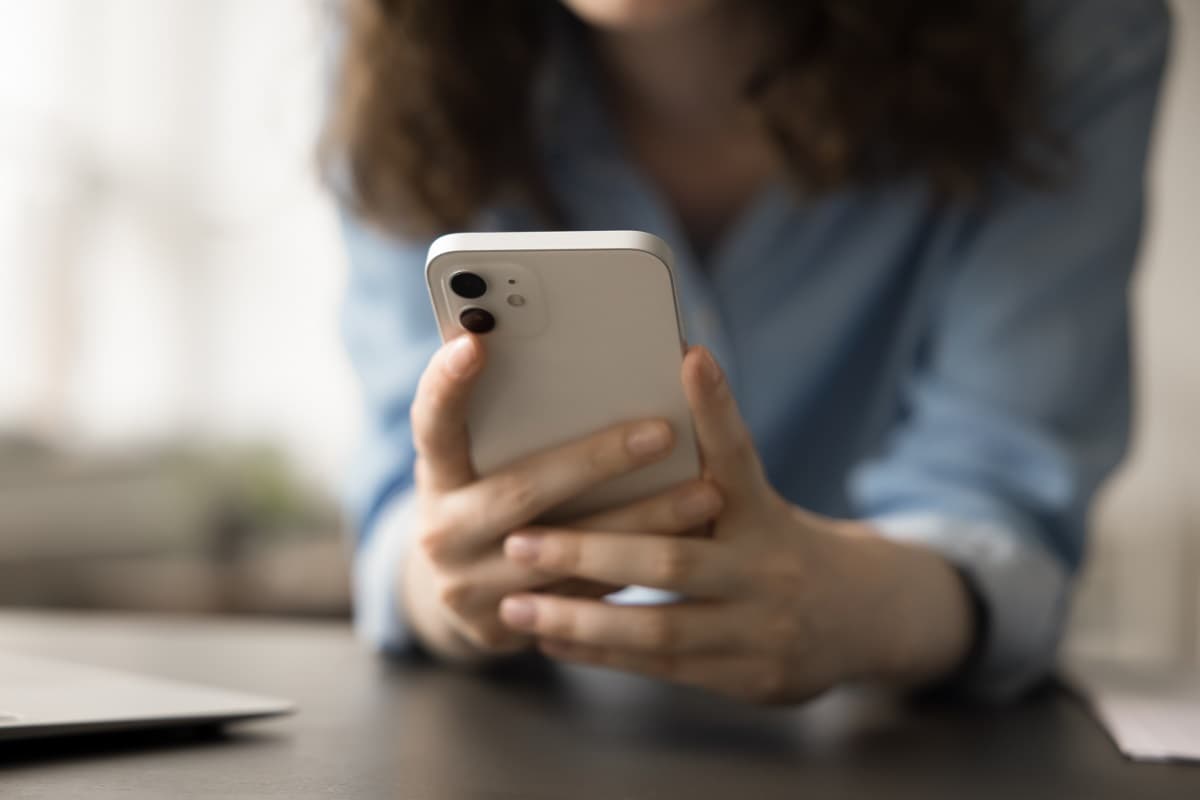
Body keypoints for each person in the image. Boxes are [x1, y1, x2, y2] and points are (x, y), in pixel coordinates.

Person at [325, 0, 1169, 703]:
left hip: (893, 745)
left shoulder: (1071, 33)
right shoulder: (394, 34)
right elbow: (405, 498)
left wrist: (867, 606)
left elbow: (1004, 495)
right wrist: (445, 583)